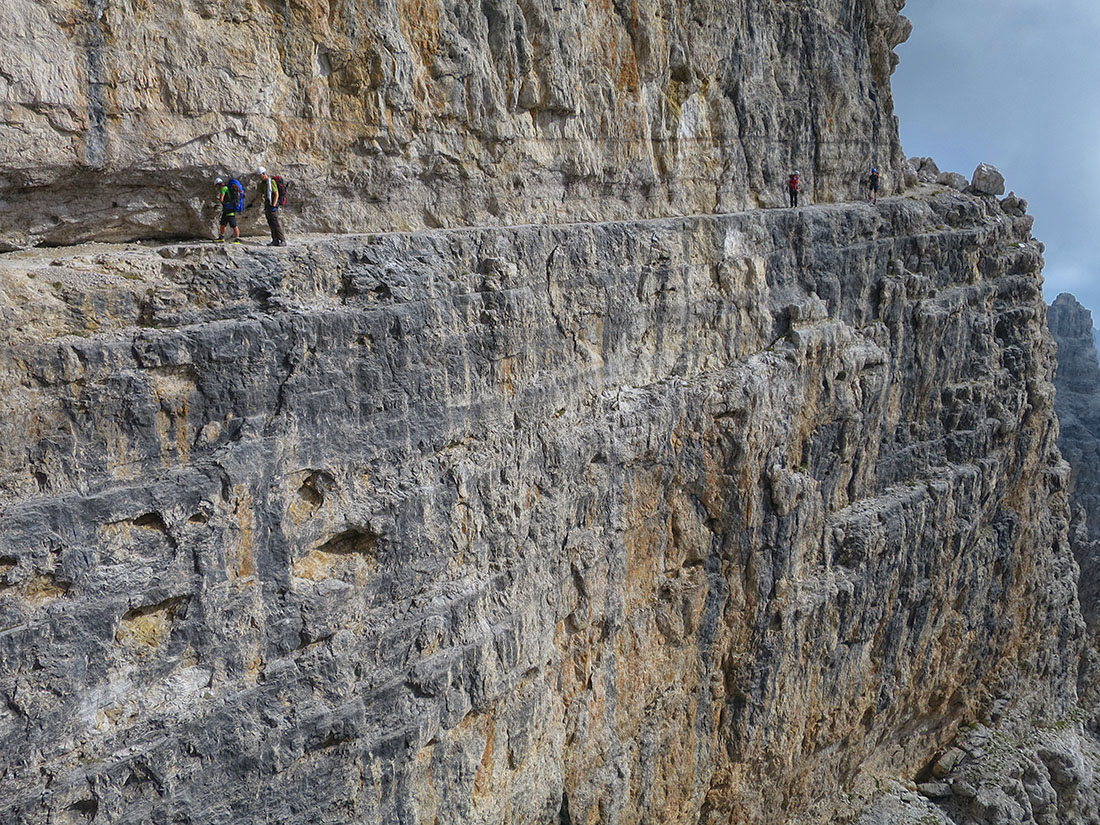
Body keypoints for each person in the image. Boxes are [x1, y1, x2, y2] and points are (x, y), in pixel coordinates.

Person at [248, 166, 286, 246]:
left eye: (260, 175)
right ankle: (275, 240)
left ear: (264, 174)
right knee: (270, 223)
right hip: (267, 204)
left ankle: (282, 240)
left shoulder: (271, 182)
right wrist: (252, 203)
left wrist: (274, 206)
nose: (259, 177)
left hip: (272, 204)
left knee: (275, 223)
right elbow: (259, 195)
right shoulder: (262, 184)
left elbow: (276, 194)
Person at [214, 176, 242, 243]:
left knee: (233, 224)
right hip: (229, 209)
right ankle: (222, 237)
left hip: (228, 209)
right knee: (223, 223)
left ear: (218, 184)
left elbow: (221, 199)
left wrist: (219, 203)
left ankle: (236, 238)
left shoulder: (223, 189)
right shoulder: (227, 187)